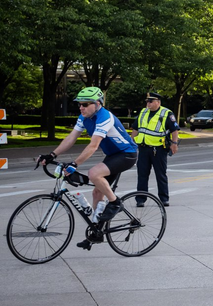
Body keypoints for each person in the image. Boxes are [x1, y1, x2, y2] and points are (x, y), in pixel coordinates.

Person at [36, 87, 139, 245]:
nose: (81, 107)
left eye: (85, 104)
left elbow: (93, 146)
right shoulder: (84, 117)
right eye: (79, 104)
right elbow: (71, 138)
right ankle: (96, 232)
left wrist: (75, 163)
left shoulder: (104, 117)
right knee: (97, 192)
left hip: (127, 154)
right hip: (113, 155)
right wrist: (52, 155)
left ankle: (115, 203)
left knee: (94, 174)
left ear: (98, 104)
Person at [132, 91, 179, 207]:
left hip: (158, 149)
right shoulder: (143, 112)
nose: (148, 104)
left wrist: (174, 143)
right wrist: (131, 142)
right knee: (142, 174)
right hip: (143, 148)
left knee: (161, 174)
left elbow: (174, 130)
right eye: (147, 101)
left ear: (158, 102)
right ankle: (140, 199)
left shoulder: (166, 113)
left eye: (151, 101)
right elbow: (135, 128)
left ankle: (164, 199)